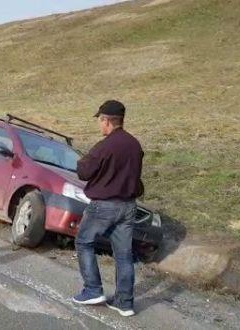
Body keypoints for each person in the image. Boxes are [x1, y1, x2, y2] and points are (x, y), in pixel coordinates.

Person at [72, 100, 144, 317]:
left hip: (104, 205)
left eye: (100, 121)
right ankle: (125, 302)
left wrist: (82, 162)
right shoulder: (134, 145)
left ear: (107, 121)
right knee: (124, 255)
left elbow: (84, 172)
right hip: (129, 206)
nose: (99, 125)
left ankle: (93, 290)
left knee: (84, 242)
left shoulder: (105, 146)